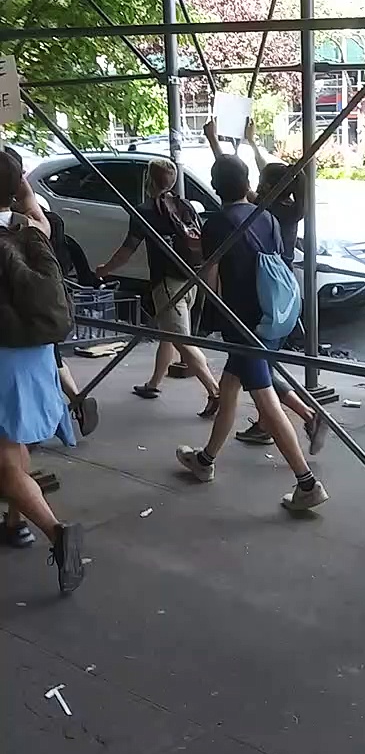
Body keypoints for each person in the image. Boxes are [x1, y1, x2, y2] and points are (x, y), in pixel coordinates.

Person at [176, 154, 329, 512]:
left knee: (265, 400)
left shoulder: (216, 223)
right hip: (274, 316)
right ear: (247, 183)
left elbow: (210, 277)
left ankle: (306, 483)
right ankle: (205, 460)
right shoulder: (269, 219)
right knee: (230, 388)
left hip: (245, 326)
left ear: (215, 188)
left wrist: (207, 315)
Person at [204, 118, 326, 454]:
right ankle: (207, 457)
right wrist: (251, 143)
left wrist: (217, 143)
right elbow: (241, 178)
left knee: (263, 388)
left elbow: (232, 183)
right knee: (237, 381)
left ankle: (305, 476)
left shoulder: (261, 210)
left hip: (251, 314)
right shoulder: (282, 211)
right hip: (278, 304)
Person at [0, 151, 85, 588]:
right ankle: (14, 523)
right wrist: (19, 187)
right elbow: (28, 197)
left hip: (3, 354)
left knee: (2, 460)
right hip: (35, 352)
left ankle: (56, 533)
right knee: (12, 442)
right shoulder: (33, 227)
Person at [96, 159, 220, 416]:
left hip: (167, 283)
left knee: (182, 340)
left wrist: (104, 269)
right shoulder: (184, 205)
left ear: (148, 181)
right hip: (190, 280)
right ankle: (153, 383)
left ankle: (215, 391)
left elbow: (127, 250)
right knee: (169, 332)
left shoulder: (145, 210)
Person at [5, 146, 99, 438]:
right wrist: (25, 194)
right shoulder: (34, 229)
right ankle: (76, 399)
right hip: (37, 337)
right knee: (17, 444)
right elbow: (38, 219)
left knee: (10, 465)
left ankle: (76, 399)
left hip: (7, 347)